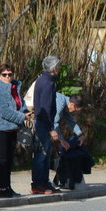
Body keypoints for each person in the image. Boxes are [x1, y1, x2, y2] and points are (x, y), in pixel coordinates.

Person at [0, 63, 30, 198]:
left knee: (9, 159)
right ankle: (3, 188)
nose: (7, 77)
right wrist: (22, 116)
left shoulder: (15, 88)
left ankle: (8, 187)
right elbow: (4, 111)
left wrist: (27, 112)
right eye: (4, 74)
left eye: (10, 74)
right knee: (2, 158)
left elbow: (21, 104)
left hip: (12, 127)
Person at [30, 55, 60, 194]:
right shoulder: (48, 84)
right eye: (58, 66)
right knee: (42, 154)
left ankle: (44, 181)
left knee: (46, 154)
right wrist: (51, 129)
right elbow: (46, 108)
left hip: (41, 121)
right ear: (54, 68)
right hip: (43, 123)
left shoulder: (41, 80)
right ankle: (37, 183)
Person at [52, 93, 92, 190]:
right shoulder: (60, 103)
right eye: (75, 110)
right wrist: (62, 141)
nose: (73, 113)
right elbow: (54, 123)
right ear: (72, 104)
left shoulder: (67, 105)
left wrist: (80, 135)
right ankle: (42, 183)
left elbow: (71, 122)